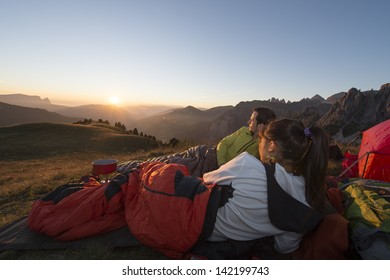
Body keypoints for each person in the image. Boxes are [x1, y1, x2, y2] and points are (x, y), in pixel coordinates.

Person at [203, 119, 329, 254]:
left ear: (271, 146)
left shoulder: (246, 163)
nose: (258, 144)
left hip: (203, 224)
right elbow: (284, 247)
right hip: (220, 241)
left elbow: (207, 179)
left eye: (261, 140)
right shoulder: (308, 203)